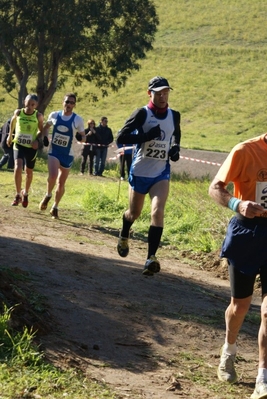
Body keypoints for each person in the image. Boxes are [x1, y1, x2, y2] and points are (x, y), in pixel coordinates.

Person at [209, 133, 267, 399]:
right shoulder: (245, 151)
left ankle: (263, 377)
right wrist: (238, 203)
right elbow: (215, 187)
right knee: (240, 305)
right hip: (247, 234)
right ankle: (229, 350)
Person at [116, 76, 181, 276]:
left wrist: (175, 149)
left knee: (157, 212)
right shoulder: (142, 114)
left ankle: (150, 258)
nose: (163, 96)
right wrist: (145, 137)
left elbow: (176, 134)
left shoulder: (174, 115)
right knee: (133, 213)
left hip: (161, 173)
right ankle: (125, 231)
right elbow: (120, 138)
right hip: (140, 171)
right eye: (158, 93)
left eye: (166, 92)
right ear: (149, 93)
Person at [39, 93, 85, 219]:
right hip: (54, 152)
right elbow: (46, 127)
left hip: (68, 155)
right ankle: (48, 195)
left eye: (71, 103)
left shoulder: (78, 120)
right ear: (62, 102)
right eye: (67, 102)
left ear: (74, 105)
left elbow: (83, 137)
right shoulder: (54, 115)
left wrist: (80, 137)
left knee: (61, 183)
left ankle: (55, 207)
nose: (68, 104)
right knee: (53, 176)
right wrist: (45, 138)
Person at [7, 94, 44, 207]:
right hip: (18, 144)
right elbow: (13, 122)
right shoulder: (18, 112)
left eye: (32, 104)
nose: (30, 106)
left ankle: (25, 193)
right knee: (18, 167)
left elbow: (41, 131)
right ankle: (18, 194)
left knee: (28, 172)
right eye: (28, 103)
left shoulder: (38, 116)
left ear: (36, 105)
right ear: (24, 102)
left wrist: (37, 140)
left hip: (31, 147)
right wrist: (10, 136)